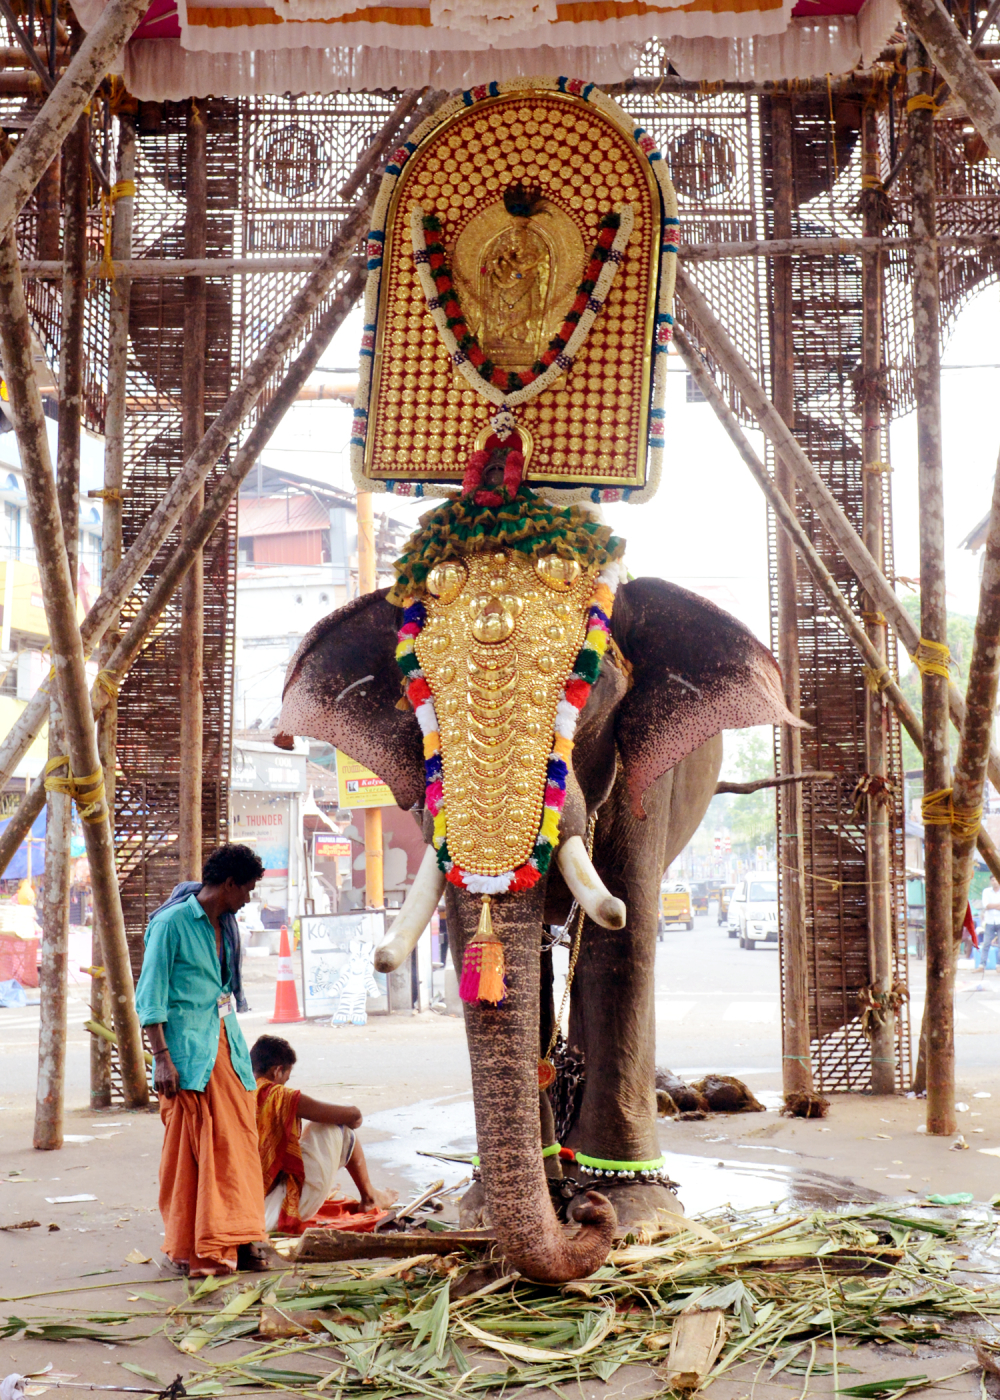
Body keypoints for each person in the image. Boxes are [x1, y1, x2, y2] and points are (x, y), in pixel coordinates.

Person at [135, 843, 270, 1277]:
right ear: (229, 884)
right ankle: (192, 1248)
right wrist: (161, 1058)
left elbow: (224, 991)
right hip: (187, 1056)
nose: (249, 898)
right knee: (192, 1157)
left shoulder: (226, 924)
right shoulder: (172, 924)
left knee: (239, 1149)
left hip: (226, 1047)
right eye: (247, 889)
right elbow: (150, 998)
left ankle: (242, 1239)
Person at [250, 1034, 395, 1231]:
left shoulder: (241, 1091)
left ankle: (370, 1195)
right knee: (337, 1127)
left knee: (307, 1134)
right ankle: (369, 1196)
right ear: (277, 1071)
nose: (284, 1083)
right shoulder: (277, 1095)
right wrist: (356, 1117)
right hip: (274, 1212)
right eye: (286, 1077)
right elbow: (352, 1115)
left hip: (245, 1208)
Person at [979, 876, 1000, 981]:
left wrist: (992, 906)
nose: (994, 882)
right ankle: (982, 965)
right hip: (990, 921)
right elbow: (986, 905)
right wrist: (996, 906)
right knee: (986, 943)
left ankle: (999, 965)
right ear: (990, 881)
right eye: (992, 880)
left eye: (996, 879)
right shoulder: (986, 892)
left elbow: (989, 906)